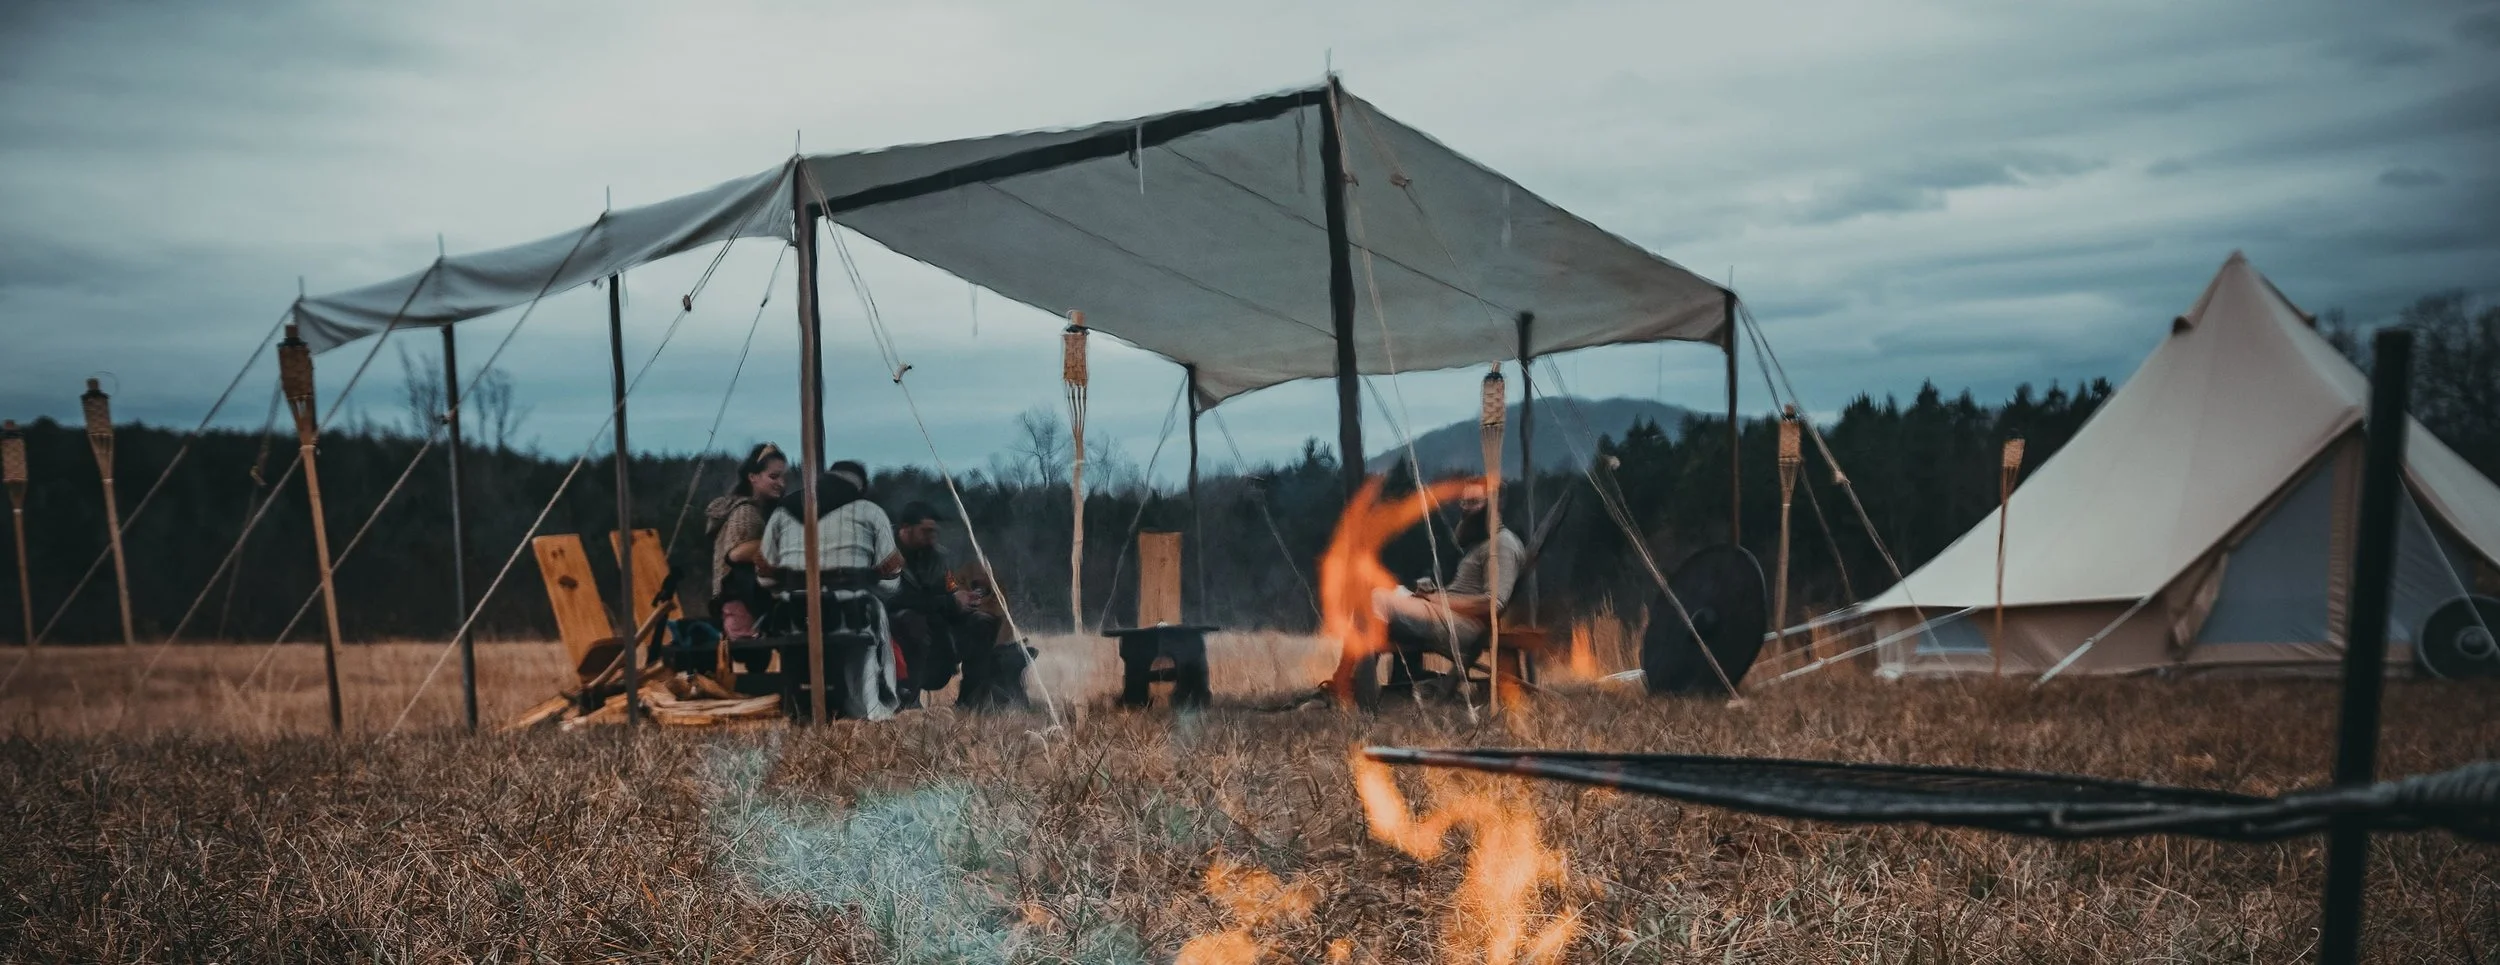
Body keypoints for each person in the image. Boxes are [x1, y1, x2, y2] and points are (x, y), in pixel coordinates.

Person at [1374, 479, 1526, 669]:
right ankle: (1389, 679)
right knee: (1379, 591)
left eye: (1473, 503)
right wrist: (1433, 595)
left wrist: (1437, 599)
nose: (1465, 509)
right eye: (1463, 502)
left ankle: (1348, 683)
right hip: (1448, 615)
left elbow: (1493, 603)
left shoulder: (1501, 545)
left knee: (1379, 599)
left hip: (1466, 626)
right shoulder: (1482, 543)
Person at [886, 501, 1002, 701]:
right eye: (925, 531)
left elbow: (949, 589)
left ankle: (971, 701)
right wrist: (948, 602)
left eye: (934, 531)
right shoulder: (885, 553)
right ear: (905, 529)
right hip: (896, 629)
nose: (931, 536)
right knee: (912, 622)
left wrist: (964, 599)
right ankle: (905, 700)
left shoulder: (937, 558)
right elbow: (895, 598)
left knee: (983, 622)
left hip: (938, 627)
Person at [702, 442, 786, 646]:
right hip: (742, 604)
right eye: (774, 477)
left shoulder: (758, 511)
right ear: (753, 477)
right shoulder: (746, 512)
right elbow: (736, 554)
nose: (781, 483)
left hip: (740, 602)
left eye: (783, 477)